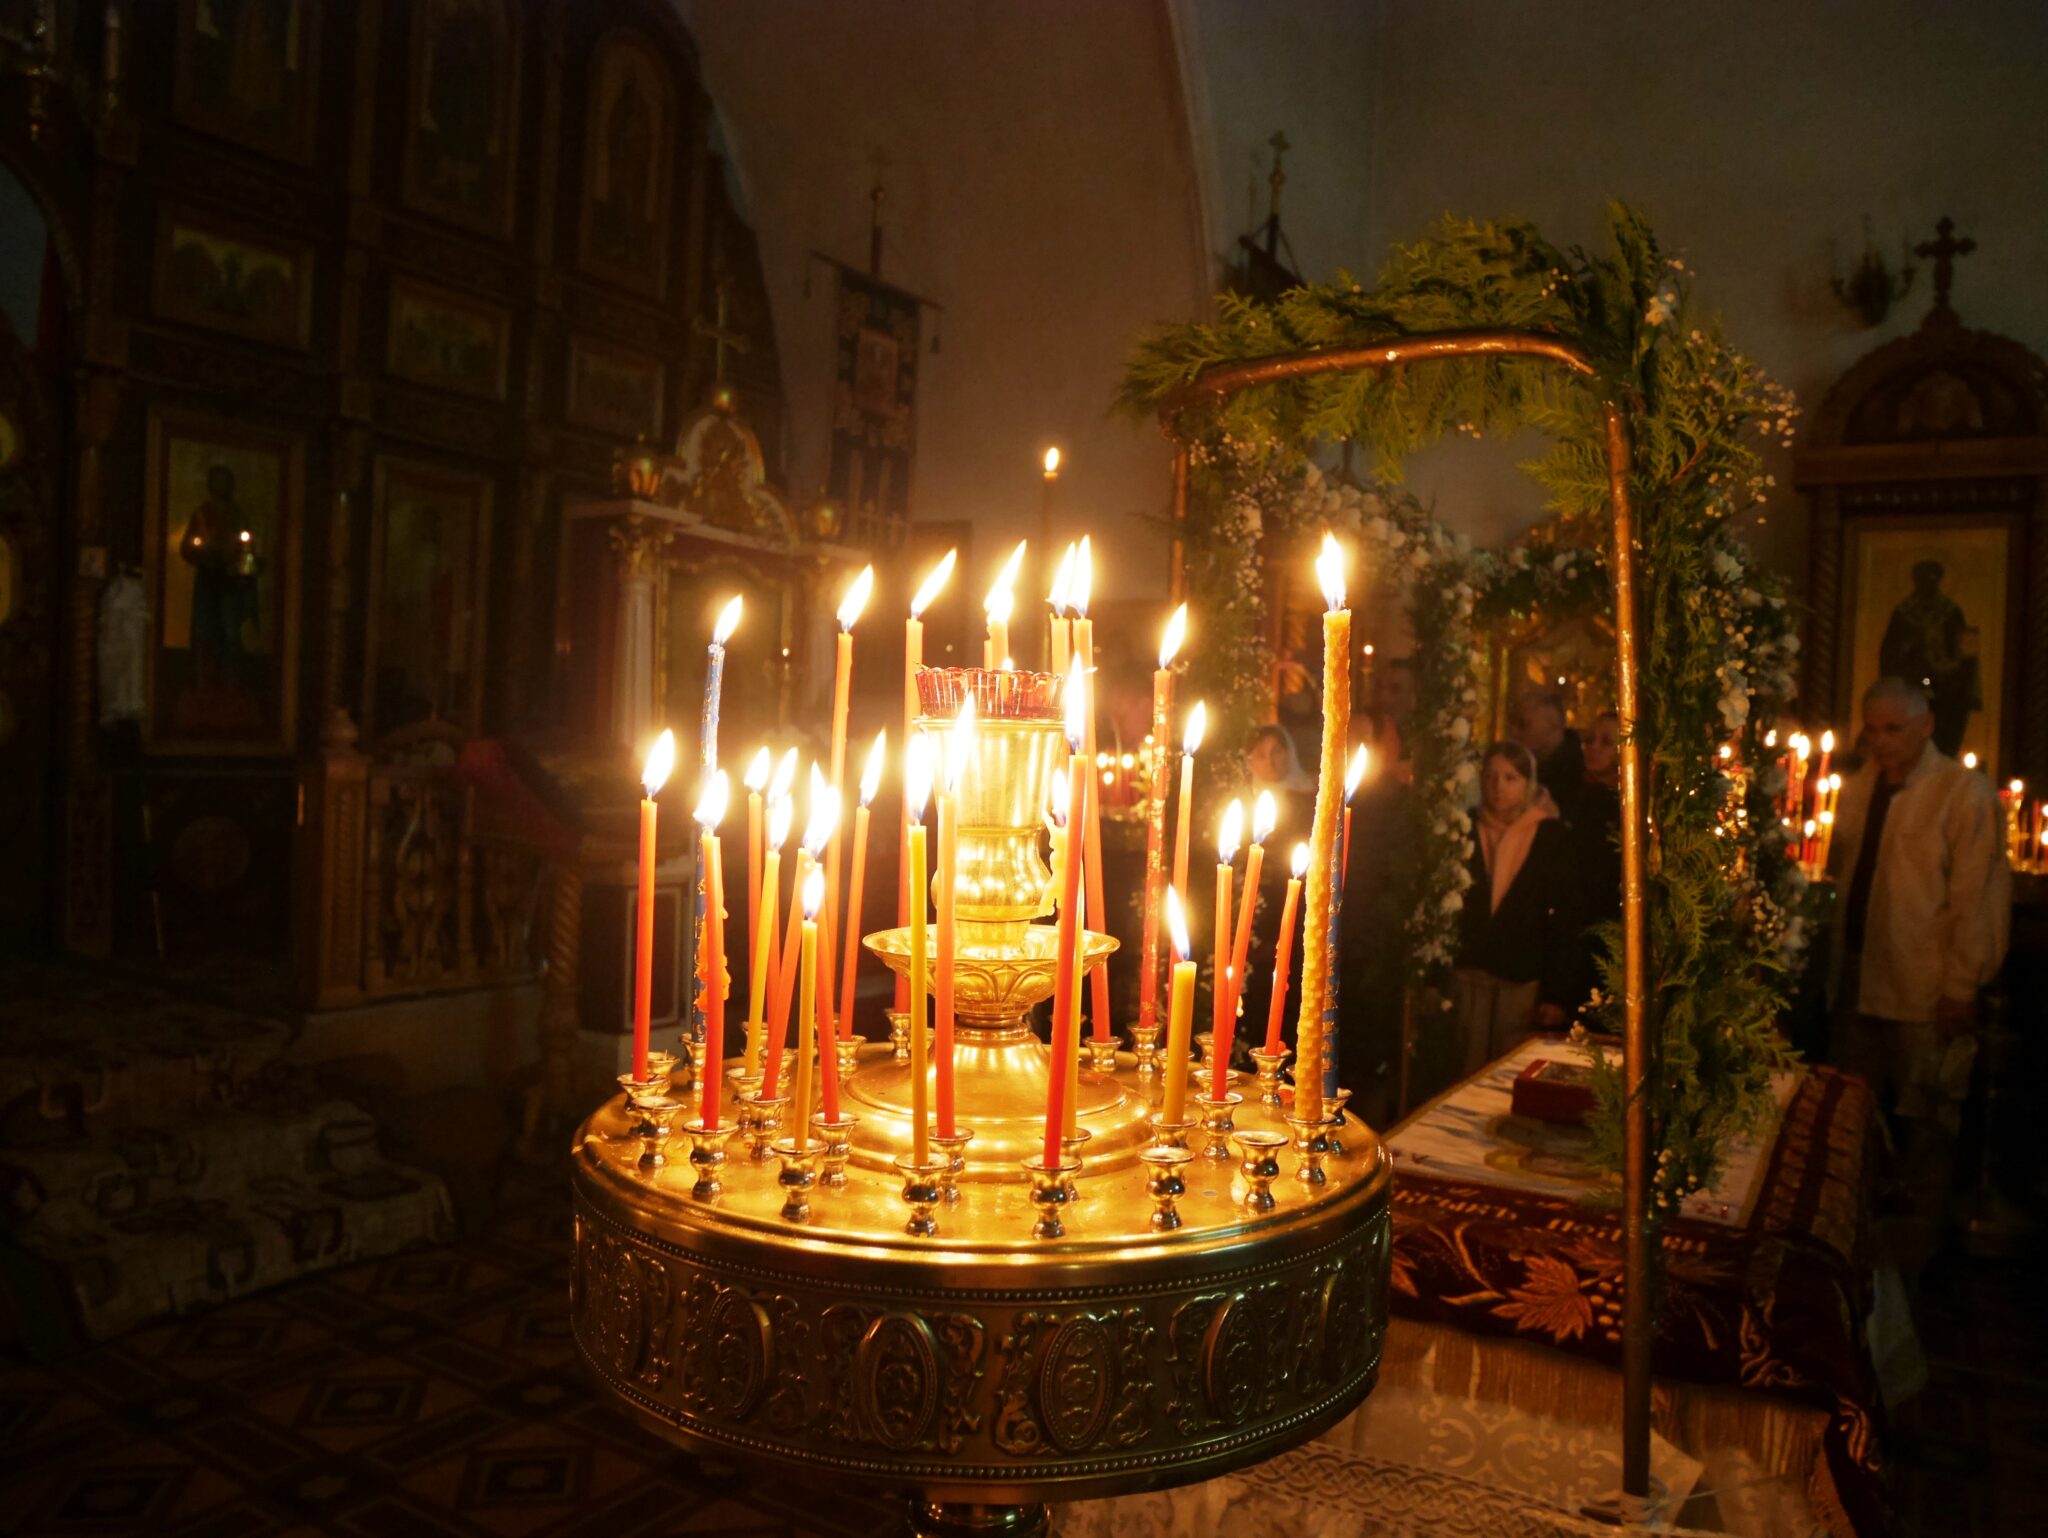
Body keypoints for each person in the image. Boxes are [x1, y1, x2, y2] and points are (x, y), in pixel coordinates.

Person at [1828, 676, 2010, 1279]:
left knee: (1926, 1121)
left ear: (1926, 725)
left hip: (1923, 987)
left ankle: (1913, 1256)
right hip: (1859, 979)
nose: (1881, 742)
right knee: (1851, 1117)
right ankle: (1850, 1244)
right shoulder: (1860, 788)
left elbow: (1977, 897)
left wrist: (1962, 985)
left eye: (1893, 729)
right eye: (1872, 730)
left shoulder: (1961, 793)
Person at [1451, 742, 1582, 1076]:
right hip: (1471, 972)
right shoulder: (1465, 827)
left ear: (1528, 783)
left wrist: (1556, 993)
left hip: (1519, 976)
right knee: (1464, 1062)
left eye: (1510, 778)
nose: (1499, 787)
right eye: (1491, 777)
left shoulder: (1549, 834)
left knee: (1508, 1066)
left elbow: (1563, 918)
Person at [1878, 560, 1978, 758]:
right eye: (1923, 580)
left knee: (1943, 742)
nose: (1928, 585)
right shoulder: (1904, 613)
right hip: (1910, 688)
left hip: (1945, 692)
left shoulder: (1951, 612)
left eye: (1932, 580)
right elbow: (1889, 653)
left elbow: (1965, 653)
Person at [1508, 686, 1584, 814]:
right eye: (1512, 723)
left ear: (1553, 724)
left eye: (1523, 724)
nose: (1514, 732)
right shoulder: (1520, 763)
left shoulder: (1579, 776)